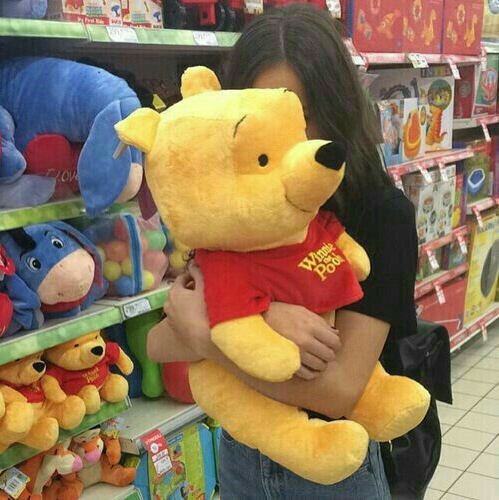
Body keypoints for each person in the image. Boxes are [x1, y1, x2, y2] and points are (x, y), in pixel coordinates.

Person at [148, 4, 418, 499]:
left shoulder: (379, 215)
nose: (295, 140)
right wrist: (265, 317)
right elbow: (162, 341)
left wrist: (211, 339)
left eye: (304, 115)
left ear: (335, 107)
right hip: (241, 453)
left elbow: (338, 391)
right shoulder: (234, 216)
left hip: (334, 470)